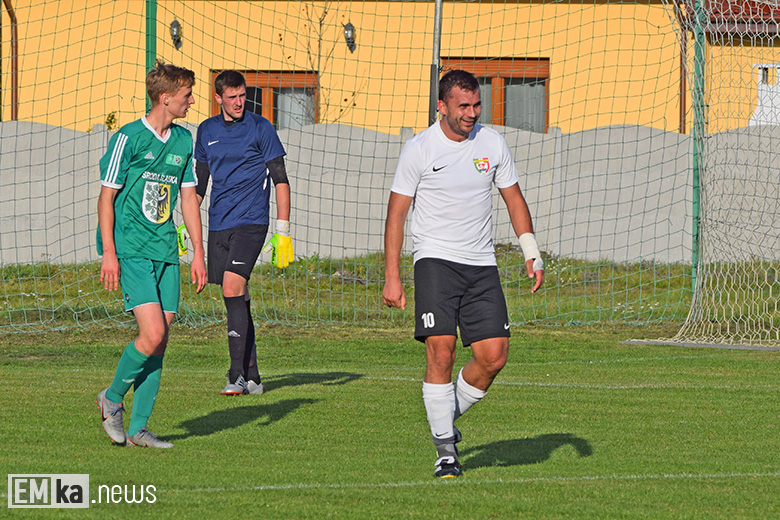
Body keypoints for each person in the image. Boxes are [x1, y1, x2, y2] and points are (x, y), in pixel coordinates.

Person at [382, 69, 545, 477]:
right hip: (435, 261)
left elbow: (513, 198)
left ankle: (443, 416)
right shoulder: (419, 149)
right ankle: (445, 452)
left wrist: (531, 251)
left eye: (476, 105)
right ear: (442, 106)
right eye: (463, 106)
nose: (471, 113)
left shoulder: (492, 143)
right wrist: (392, 274)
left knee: (493, 357)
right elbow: (397, 214)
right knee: (441, 349)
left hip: (481, 264)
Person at [96, 60, 207, 448]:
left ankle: (139, 428)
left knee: (161, 340)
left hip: (165, 251)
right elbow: (106, 198)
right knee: (153, 332)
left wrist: (198, 253)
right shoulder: (129, 137)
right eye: (187, 95)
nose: (192, 101)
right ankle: (111, 399)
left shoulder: (182, 141)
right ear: (166, 98)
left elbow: (189, 197)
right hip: (132, 250)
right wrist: (110, 253)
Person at [194, 70, 293, 396]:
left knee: (233, 288)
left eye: (242, 96)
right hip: (219, 223)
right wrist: (184, 221)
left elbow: (280, 179)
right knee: (237, 297)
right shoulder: (206, 131)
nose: (239, 102)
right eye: (232, 97)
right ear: (218, 97)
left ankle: (235, 375)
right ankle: (254, 376)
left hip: (252, 222)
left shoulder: (261, 127)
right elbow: (199, 185)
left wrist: (283, 230)